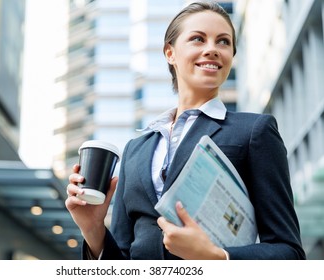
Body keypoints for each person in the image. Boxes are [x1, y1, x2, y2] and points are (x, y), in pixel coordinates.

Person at [65, 1, 306, 260]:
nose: (212, 49)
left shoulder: (254, 131)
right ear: (170, 53)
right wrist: (93, 229)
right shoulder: (136, 148)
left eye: (223, 42)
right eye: (198, 39)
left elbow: (289, 252)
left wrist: (215, 257)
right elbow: (124, 260)